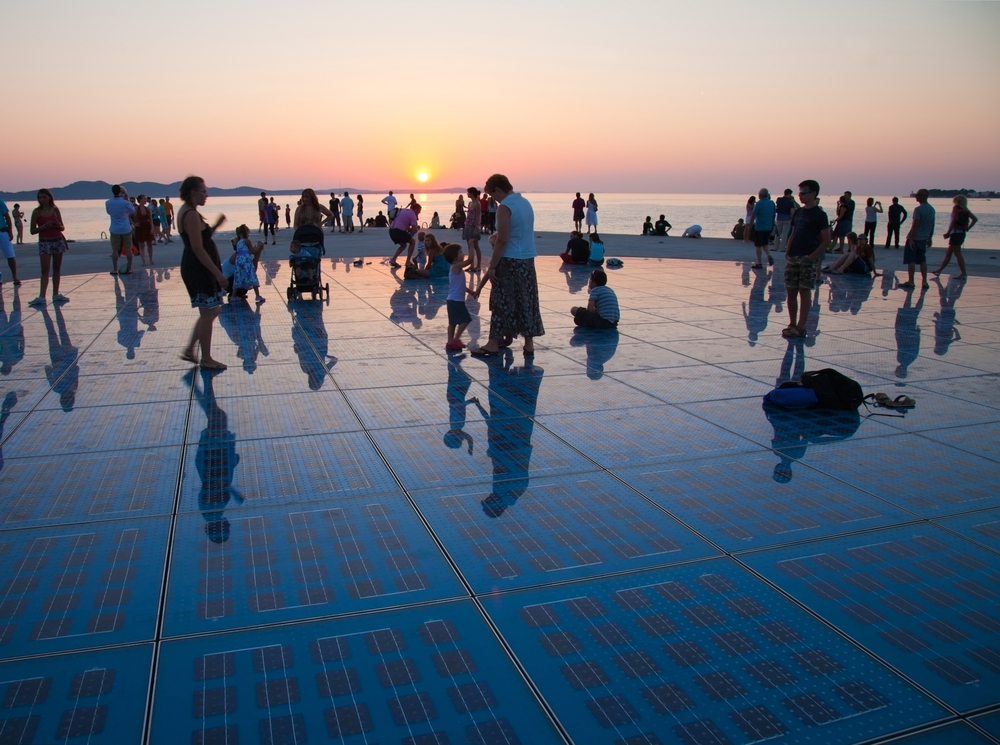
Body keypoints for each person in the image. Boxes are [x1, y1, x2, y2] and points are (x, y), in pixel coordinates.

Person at [470, 174, 544, 357]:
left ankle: (493, 343)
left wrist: (493, 265)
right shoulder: (525, 203)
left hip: (509, 260)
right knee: (526, 300)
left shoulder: (505, 207)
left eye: (492, 195)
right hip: (527, 259)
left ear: (498, 189)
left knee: (501, 301)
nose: (493, 199)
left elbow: (503, 240)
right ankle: (528, 344)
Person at [178, 176, 228, 369]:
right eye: (203, 191)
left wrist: (215, 225)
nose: (206, 195)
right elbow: (197, 248)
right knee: (208, 313)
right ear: (193, 192)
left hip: (200, 267)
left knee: (212, 310)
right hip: (199, 269)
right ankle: (206, 359)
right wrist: (218, 273)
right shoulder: (190, 214)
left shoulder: (191, 213)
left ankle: (191, 349)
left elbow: (202, 238)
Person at [781, 180, 829, 338]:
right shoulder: (798, 212)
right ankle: (792, 323)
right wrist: (787, 250)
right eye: (799, 192)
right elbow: (793, 233)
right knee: (791, 290)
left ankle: (801, 326)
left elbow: (826, 240)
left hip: (807, 257)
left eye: (804, 192)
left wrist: (811, 258)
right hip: (793, 256)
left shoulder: (820, 215)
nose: (800, 195)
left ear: (813, 193)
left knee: (804, 291)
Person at [28, 189, 69, 306]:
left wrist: (57, 225)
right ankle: (42, 296)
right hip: (44, 242)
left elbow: (62, 227)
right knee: (44, 270)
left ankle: (56, 294)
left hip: (57, 241)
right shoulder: (37, 212)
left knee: (57, 268)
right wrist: (43, 227)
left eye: (44, 197)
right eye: (40, 198)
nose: (42, 200)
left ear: (49, 198)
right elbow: (32, 230)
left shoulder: (55, 210)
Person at [934, 194, 977, 280]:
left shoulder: (956, 208)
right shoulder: (965, 209)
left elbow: (953, 221)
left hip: (955, 233)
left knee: (958, 254)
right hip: (961, 233)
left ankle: (963, 273)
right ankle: (939, 270)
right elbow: (975, 219)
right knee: (948, 253)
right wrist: (967, 228)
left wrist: (948, 233)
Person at [900, 188, 935, 289]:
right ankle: (924, 281)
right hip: (923, 238)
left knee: (911, 260)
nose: (916, 196)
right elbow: (932, 225)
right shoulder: (931, 209)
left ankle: (911, 281)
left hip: (915, 238)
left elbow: (915, 225)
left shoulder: (918, 209)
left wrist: (911, 239)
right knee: (922, 259)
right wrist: (930, 237)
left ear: (924, 196)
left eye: (919, 195)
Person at [444, 242, 475, 351]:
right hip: (456, 301)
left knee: (452, 323)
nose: (463, 254)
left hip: (451, 300)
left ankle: (450, 342)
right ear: (454, 257)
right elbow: (470, 260)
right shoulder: (456, 266)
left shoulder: (455, 268)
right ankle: (455, 340)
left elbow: (459, 285)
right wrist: (472, 246)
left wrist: (470, 291)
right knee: (465, 319)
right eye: (461, 252)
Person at [106, 184, 136, 275]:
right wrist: (127, 200)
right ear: (120, 192)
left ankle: (115, 269)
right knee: (128, 249)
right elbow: (133, 210)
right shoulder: (125, 203)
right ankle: (130, 268)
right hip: (126, 228)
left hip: (115, 228)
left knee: (115, 249)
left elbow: (109, 212)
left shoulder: (108, 202)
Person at [231, 224, 265, 303]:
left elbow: (245, 251)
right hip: (246, 261)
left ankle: (233, 296)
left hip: (239, 261)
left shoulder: (238, 242)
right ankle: (257, 295)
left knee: (238, 277)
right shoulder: (247, 241)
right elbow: (253, 251)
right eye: (248, 233)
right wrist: (259, 246)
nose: (248, 234)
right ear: (244, 233)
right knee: (252, 275)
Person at [749, 188, 776, 268]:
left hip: (760, 227)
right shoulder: (772, 203)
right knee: (765, 243)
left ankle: (759, 262)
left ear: (760, 195)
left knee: (758, 245)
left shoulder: (759, 203)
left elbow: (753, 215)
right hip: (768, 227)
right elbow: (773, 215)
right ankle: (769, 255)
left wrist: (750, 226)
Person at [0, 198, 20, 285]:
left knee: (10, 255)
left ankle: (15, 277)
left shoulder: (0, 202)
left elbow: (7, 217)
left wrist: (10, 231)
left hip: (3, 231)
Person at [463, 187, 482, 270]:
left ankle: (478, 265)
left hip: (473, 226)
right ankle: (472, 264)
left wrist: (475, 228)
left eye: (468, 192)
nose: (467, 194)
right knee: (469, 246)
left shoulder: (477, 203)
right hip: (467, 225)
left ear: (472, 193)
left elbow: (477, 216)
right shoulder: (470, 203)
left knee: (476, 246)